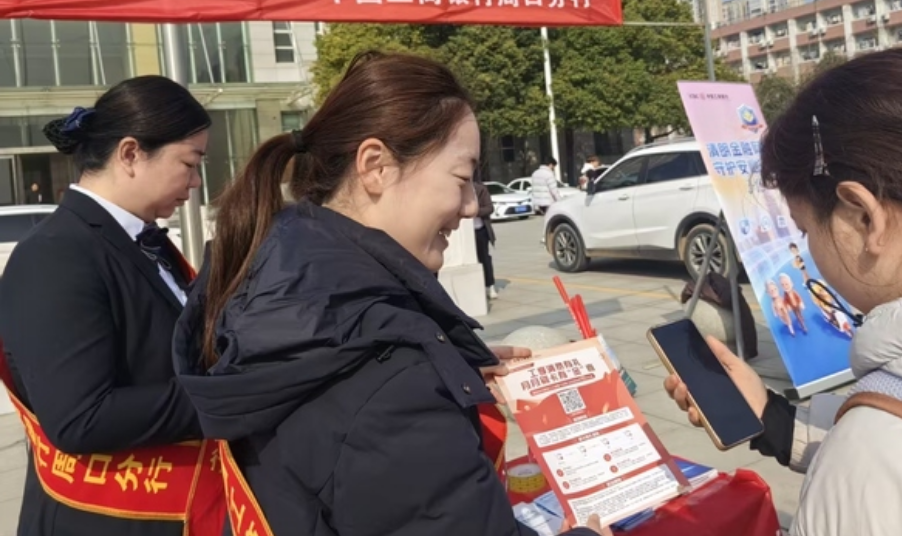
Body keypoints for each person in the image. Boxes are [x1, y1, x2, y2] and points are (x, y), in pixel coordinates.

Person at [173, 52, 609, 536]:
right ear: (376, 166)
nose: (471, 206)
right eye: (462, 178)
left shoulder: (272, 281)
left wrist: (444, 365)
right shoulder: (391, 386)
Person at [664, 49, 902, 536]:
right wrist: (773, 417)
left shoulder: (872, 462)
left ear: (863, 217)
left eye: (805, 229)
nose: (809, 250)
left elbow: (900, 451)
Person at [0, 77, 221, 536]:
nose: (196, 181)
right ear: (131, 154)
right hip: (102, 519)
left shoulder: (143, 242)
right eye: (189, 162)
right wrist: (234, 395)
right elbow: (81, 417)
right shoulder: (56, 254)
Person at [474, 174, 499, 300]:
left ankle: (490, 285)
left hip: (480, 229)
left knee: (484, 258)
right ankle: (478, 286)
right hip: (464, 233)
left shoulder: (480, 189)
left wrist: (475, 211)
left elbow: (489, 208)